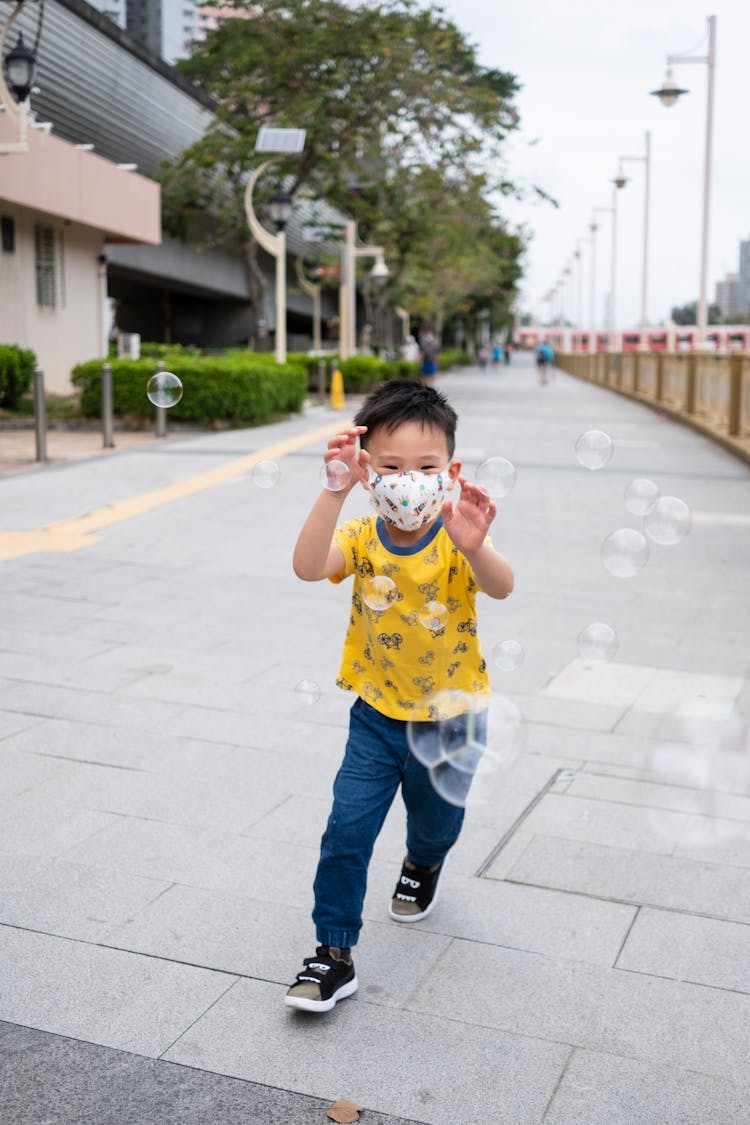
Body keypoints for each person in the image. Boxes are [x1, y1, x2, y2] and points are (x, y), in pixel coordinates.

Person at [286, 380, 514, 1013]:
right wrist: (331, 491)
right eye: (389, 467)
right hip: (377, 719)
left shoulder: (459, 532)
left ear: (451, 472)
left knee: (437, 820)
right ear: (366, 472)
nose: (406, 480)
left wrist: (474, 546)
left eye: (424, 467)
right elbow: (307, 566)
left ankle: (424, 862)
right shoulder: (360, 536)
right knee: (345, 831)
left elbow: (503, 587)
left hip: (452, 721)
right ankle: (332, 953)